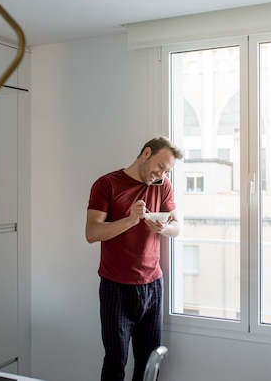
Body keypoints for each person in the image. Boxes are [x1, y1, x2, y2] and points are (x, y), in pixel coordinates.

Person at [85, 136, 183, 381]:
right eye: (160, 166)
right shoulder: (106, 184)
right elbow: (91, 233)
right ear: (146, 153)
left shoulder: (163, 185)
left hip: (153, 287)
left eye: (167, 170)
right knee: (115, 362)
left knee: (150, 363)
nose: (161, 174)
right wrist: (130, 221)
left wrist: (163, 229)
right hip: (115, 287)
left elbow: (177, 227)